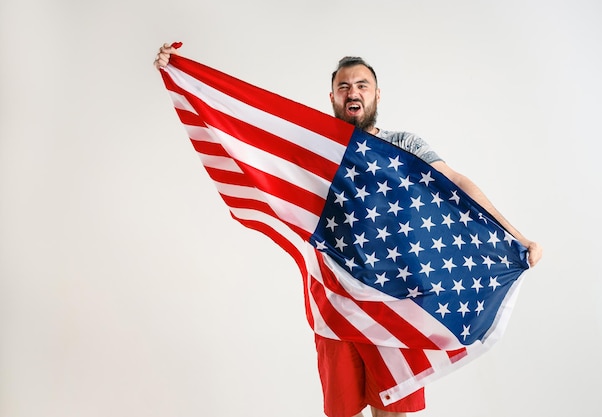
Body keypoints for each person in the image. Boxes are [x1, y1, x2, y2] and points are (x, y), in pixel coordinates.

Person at [154, 44, 543, 417]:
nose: (352, 92)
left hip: (395, 297)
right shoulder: (318, 148)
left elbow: (455, 182)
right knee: (343, 410)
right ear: (332, 98)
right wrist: (179, 72)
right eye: (344, 87)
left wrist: (515, 236)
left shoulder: (402, 145)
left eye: (361, 85)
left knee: (393, 408)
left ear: (376, 94)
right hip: (334, 298)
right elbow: (246, 132)